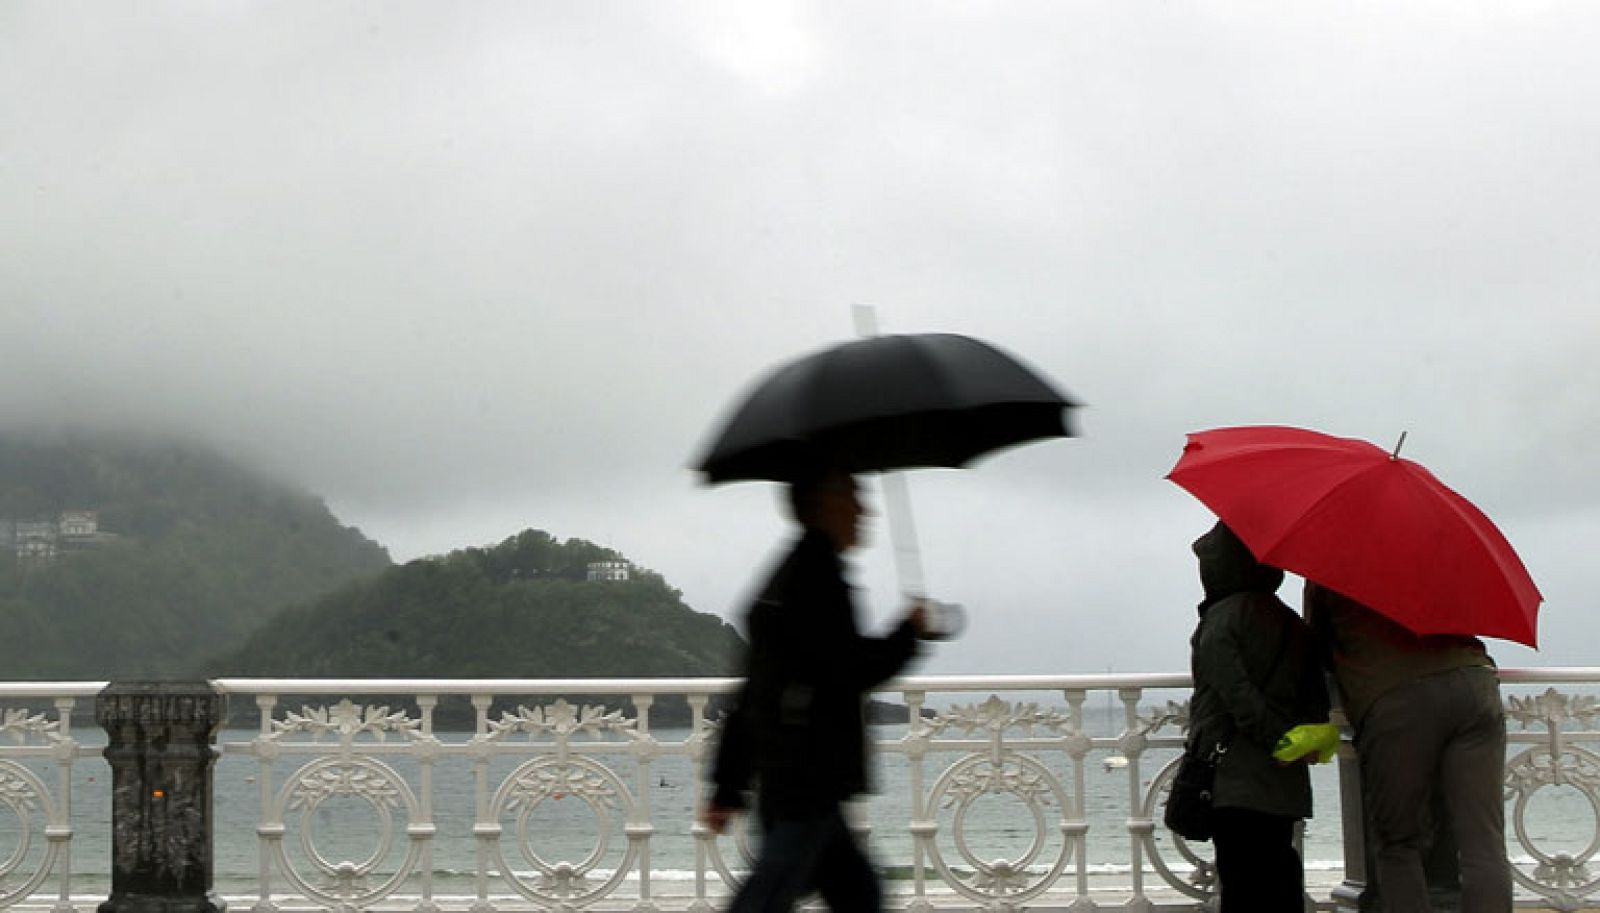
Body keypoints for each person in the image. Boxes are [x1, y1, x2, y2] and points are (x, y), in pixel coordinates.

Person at [701, 466, 927, 912]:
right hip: (807, 776)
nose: (865, 510)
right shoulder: (815, 580)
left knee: (858, 894)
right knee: (773, 896)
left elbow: (755, 689)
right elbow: (848, 668)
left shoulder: (791, 574)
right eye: (854, 497)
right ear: (826, 504)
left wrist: (728, 784)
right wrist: (909, 633)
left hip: (797, 773)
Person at [1304, 580, 1511, 913]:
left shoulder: (1331, 569)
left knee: (1398, 841)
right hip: (1473, 682)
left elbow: (1316, 649)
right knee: (1482, 841)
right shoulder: (1437, 556)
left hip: (1395, 697)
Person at [1185, 521, 1331, 912]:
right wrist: (1290, 745)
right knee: (1280, 874)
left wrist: (1275, 737)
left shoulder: (1222, 617)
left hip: (1234, 777)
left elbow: (1235, 694)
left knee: (1243, 883)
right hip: (1283, 781)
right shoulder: (1292, 623)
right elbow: (1316, 700)